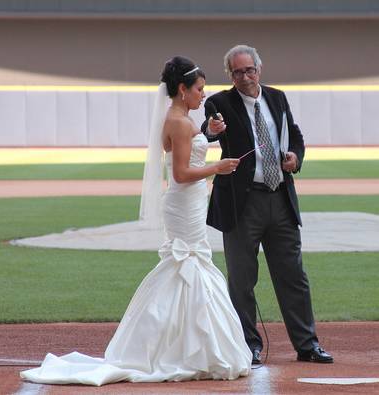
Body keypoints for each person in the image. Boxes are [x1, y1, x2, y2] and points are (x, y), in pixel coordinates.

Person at [20, 56, 252, 386]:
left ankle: (182, 345)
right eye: (200, 89)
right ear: (183, 89)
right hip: (185, 202)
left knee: (184, 265)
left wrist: (208, 134)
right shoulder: (181, 122)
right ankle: (190, 349)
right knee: (188, 264)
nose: (204, 95)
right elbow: (182, 172)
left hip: (187, 202)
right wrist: (218, 167)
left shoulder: (178, 119)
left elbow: (184, 151)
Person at [201, 44, 333, 364]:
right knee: (242, 280)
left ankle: (307, 345)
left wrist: (295, 157)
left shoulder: (277, 98)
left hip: (280, 199)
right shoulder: (219, 102)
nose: (244, 77)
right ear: (229, 75)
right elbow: (209, 130)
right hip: (242, 205)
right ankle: (248, 346)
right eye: (237, 72)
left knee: (293, 277)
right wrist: (210, 130)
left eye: (249, 70)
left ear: (260, 69)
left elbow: (295, 136)